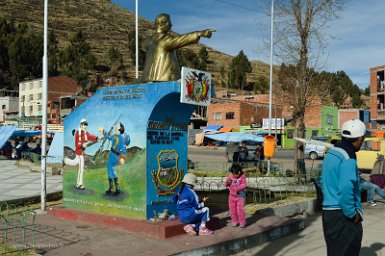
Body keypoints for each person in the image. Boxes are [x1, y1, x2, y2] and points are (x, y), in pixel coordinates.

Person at [321, 119, 366, 256]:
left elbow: (326, 180)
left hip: (329, 213)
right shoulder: (348, 156)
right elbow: (346, 187)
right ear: (359, 139)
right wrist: (351, 213)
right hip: (343, 216)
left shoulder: (332, 152)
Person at [141, 13, 215, 82]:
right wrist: (199, 33)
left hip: (148, 78)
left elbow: (143, 47)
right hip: (165, 77)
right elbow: (181, 40)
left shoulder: (147, 41)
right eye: (168, 22)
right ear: (161, 24)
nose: (171, 24)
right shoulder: (165, 40)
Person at [101, 122, 129, 195]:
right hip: (112, 155)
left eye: (117, 126)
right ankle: (114, 188)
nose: (116, 127)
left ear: (119, 129)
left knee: (111, 169)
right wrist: (103, 131)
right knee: (110, 169)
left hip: (115, 155)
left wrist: (122, 157)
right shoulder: (115, 136)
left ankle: (114, 188)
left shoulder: (120, 138)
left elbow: (123, 148)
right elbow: (109, 137)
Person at [74, 118, 99, 190]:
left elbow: (90, 136)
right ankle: (79, 184)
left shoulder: (85, 133)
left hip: (81, 154)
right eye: (84, 124)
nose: (85, 126)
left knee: (81, 170)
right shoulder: (78, 133)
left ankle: (79, 184)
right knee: (81, 170)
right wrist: (82, 145)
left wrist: (97, 138)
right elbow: (77, 145)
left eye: (86, 125)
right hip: (78, 154)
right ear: (81, 125)